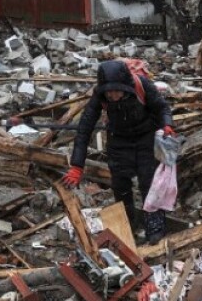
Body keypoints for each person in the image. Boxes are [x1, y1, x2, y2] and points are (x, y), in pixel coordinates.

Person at [62, 60, 174, 243]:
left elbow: (162, 108)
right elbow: (84, 128)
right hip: (119, 140)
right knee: (120, 186)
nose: (113, 95)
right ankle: (127, 225)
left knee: (149, 182)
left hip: (146, 137)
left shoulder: (142, 85)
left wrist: (167, 125)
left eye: (117, 91)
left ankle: (155, 228)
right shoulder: (100, 96)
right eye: (109, 92)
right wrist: (77, 165)